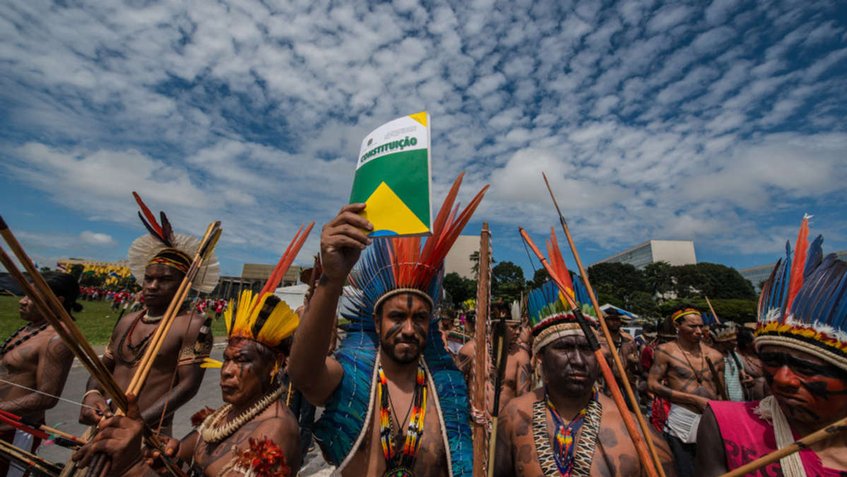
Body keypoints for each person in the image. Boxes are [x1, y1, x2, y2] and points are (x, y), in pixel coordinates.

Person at [289, 176, 487, 477]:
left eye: (419, 318)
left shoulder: (447, 391)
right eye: (397, 317)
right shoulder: (353, 382)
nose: (409, 329)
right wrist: (331, 280)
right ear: (377, 323)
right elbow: (303, 375)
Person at [695, 224, 847, 476]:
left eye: (805, 367)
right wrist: (689, 399)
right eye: (772, 361)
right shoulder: (726, 424)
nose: (781, 378)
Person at [494, 281, 676, 476]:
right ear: (540, 356)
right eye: (564, 348)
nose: (579, 360)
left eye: (587, 349)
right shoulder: (513, 416)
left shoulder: (634, 430)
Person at [79, 195, 219, 435]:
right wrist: (91, 395)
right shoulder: (126, 321)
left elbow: (188, 385)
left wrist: (138, 422)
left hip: (147, 436)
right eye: (149, 278)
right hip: (103, 429)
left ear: (185, 285)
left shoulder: (194, 326)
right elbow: (105, 367)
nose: (153, 286)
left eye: (164, 280)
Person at [0, 272, 79, 477]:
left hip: (14, 431)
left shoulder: (57, 338)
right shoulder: (32, 326)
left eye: (31, 297)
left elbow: (46, 397)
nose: (22, 301)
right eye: (24, 295)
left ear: (56, 301)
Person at [647, 307, 724, 476]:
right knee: (684, 471)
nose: (698, 331)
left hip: (711, 419)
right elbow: (652, 384)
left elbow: (722, 393)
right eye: (692, 326)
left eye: (701, 326)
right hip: (681, 420)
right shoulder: (666, 351)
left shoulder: (715, 355)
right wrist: (692, 400)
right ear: (677, 326)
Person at [456, 301, 532, 411]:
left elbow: (524, 397)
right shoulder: (472, 349)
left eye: (518, 327)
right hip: (474, 423)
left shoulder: (521, 356)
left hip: (505, 423)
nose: (517, 332)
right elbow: (454, 384)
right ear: (498, 325)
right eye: (513, 327)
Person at [711, 322, 750, 402]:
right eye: (732, 341)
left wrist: (747, 379)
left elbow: (741, 377)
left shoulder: (735, 356)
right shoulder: (710, 358)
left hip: (739, 401)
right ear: (723, 342)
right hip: (720, 402)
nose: (736, 343)